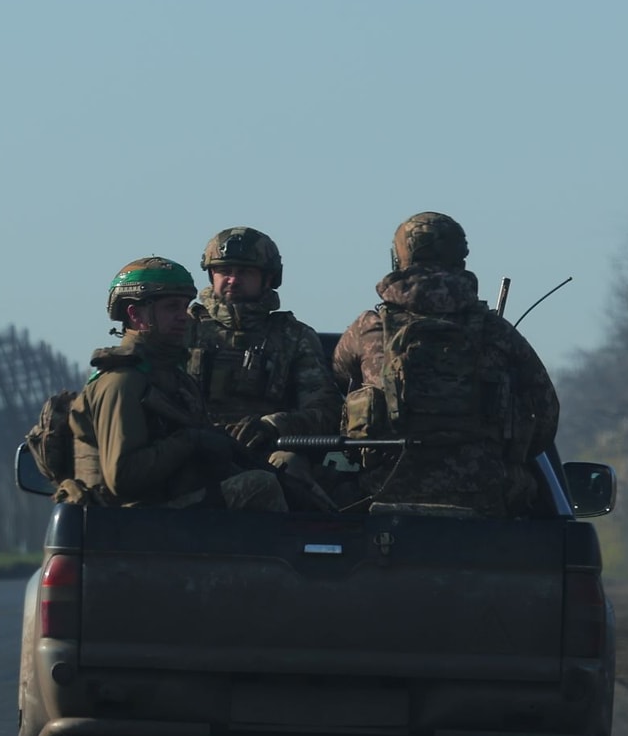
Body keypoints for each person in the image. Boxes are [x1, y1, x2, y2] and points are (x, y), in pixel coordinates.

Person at [332, 211, 559, 516]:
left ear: (398, 260)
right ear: (461, 259)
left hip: (382, 492)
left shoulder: (368, 329)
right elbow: (545, 416)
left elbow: (335, 381)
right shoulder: (498, 333)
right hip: (485, 497)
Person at [66, 256, 287, 511]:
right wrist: (190, 441)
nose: (184, 317)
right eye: (171, 308)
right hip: (134, 519)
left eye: (184, 307)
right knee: (259, 487)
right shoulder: (122, 382)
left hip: (170, 511)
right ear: (135, 314)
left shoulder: (174, 376)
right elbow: (122, 478)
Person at [185, 227, 342, 457]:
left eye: (245, 272)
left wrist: (273, 426)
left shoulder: (293, 337)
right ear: (211, 275)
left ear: (268, 278)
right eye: (224, 271)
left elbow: (326, 412)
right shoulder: (185, 328)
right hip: (194, 453)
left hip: (265, 456)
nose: (233, 280)